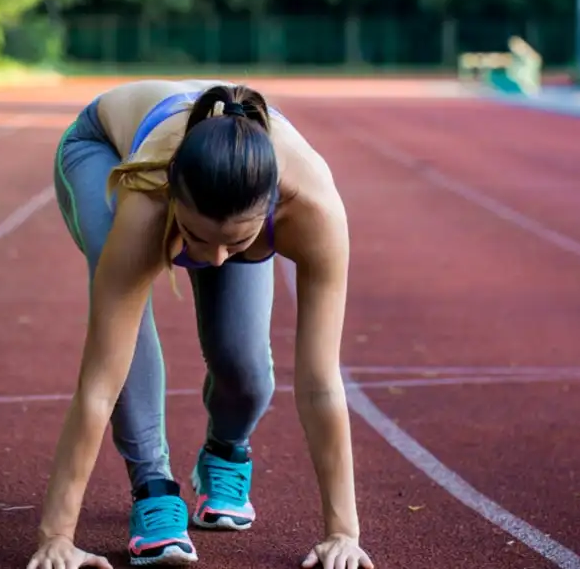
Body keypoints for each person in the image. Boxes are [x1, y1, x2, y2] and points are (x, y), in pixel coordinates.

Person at [28, 78, 373, 569]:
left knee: (246, 368)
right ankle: (153, 485)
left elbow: (320, 383)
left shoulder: (315, 210)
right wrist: (56, 536)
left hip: (224, 194)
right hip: (102, 148)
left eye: (235, 243)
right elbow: (99, 385)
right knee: (124, 344)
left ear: (272, 206)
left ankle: (225, 452)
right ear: (174, 202)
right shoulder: (148, 198)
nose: (213, 260)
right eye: (196, 237)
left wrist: (343, 533)